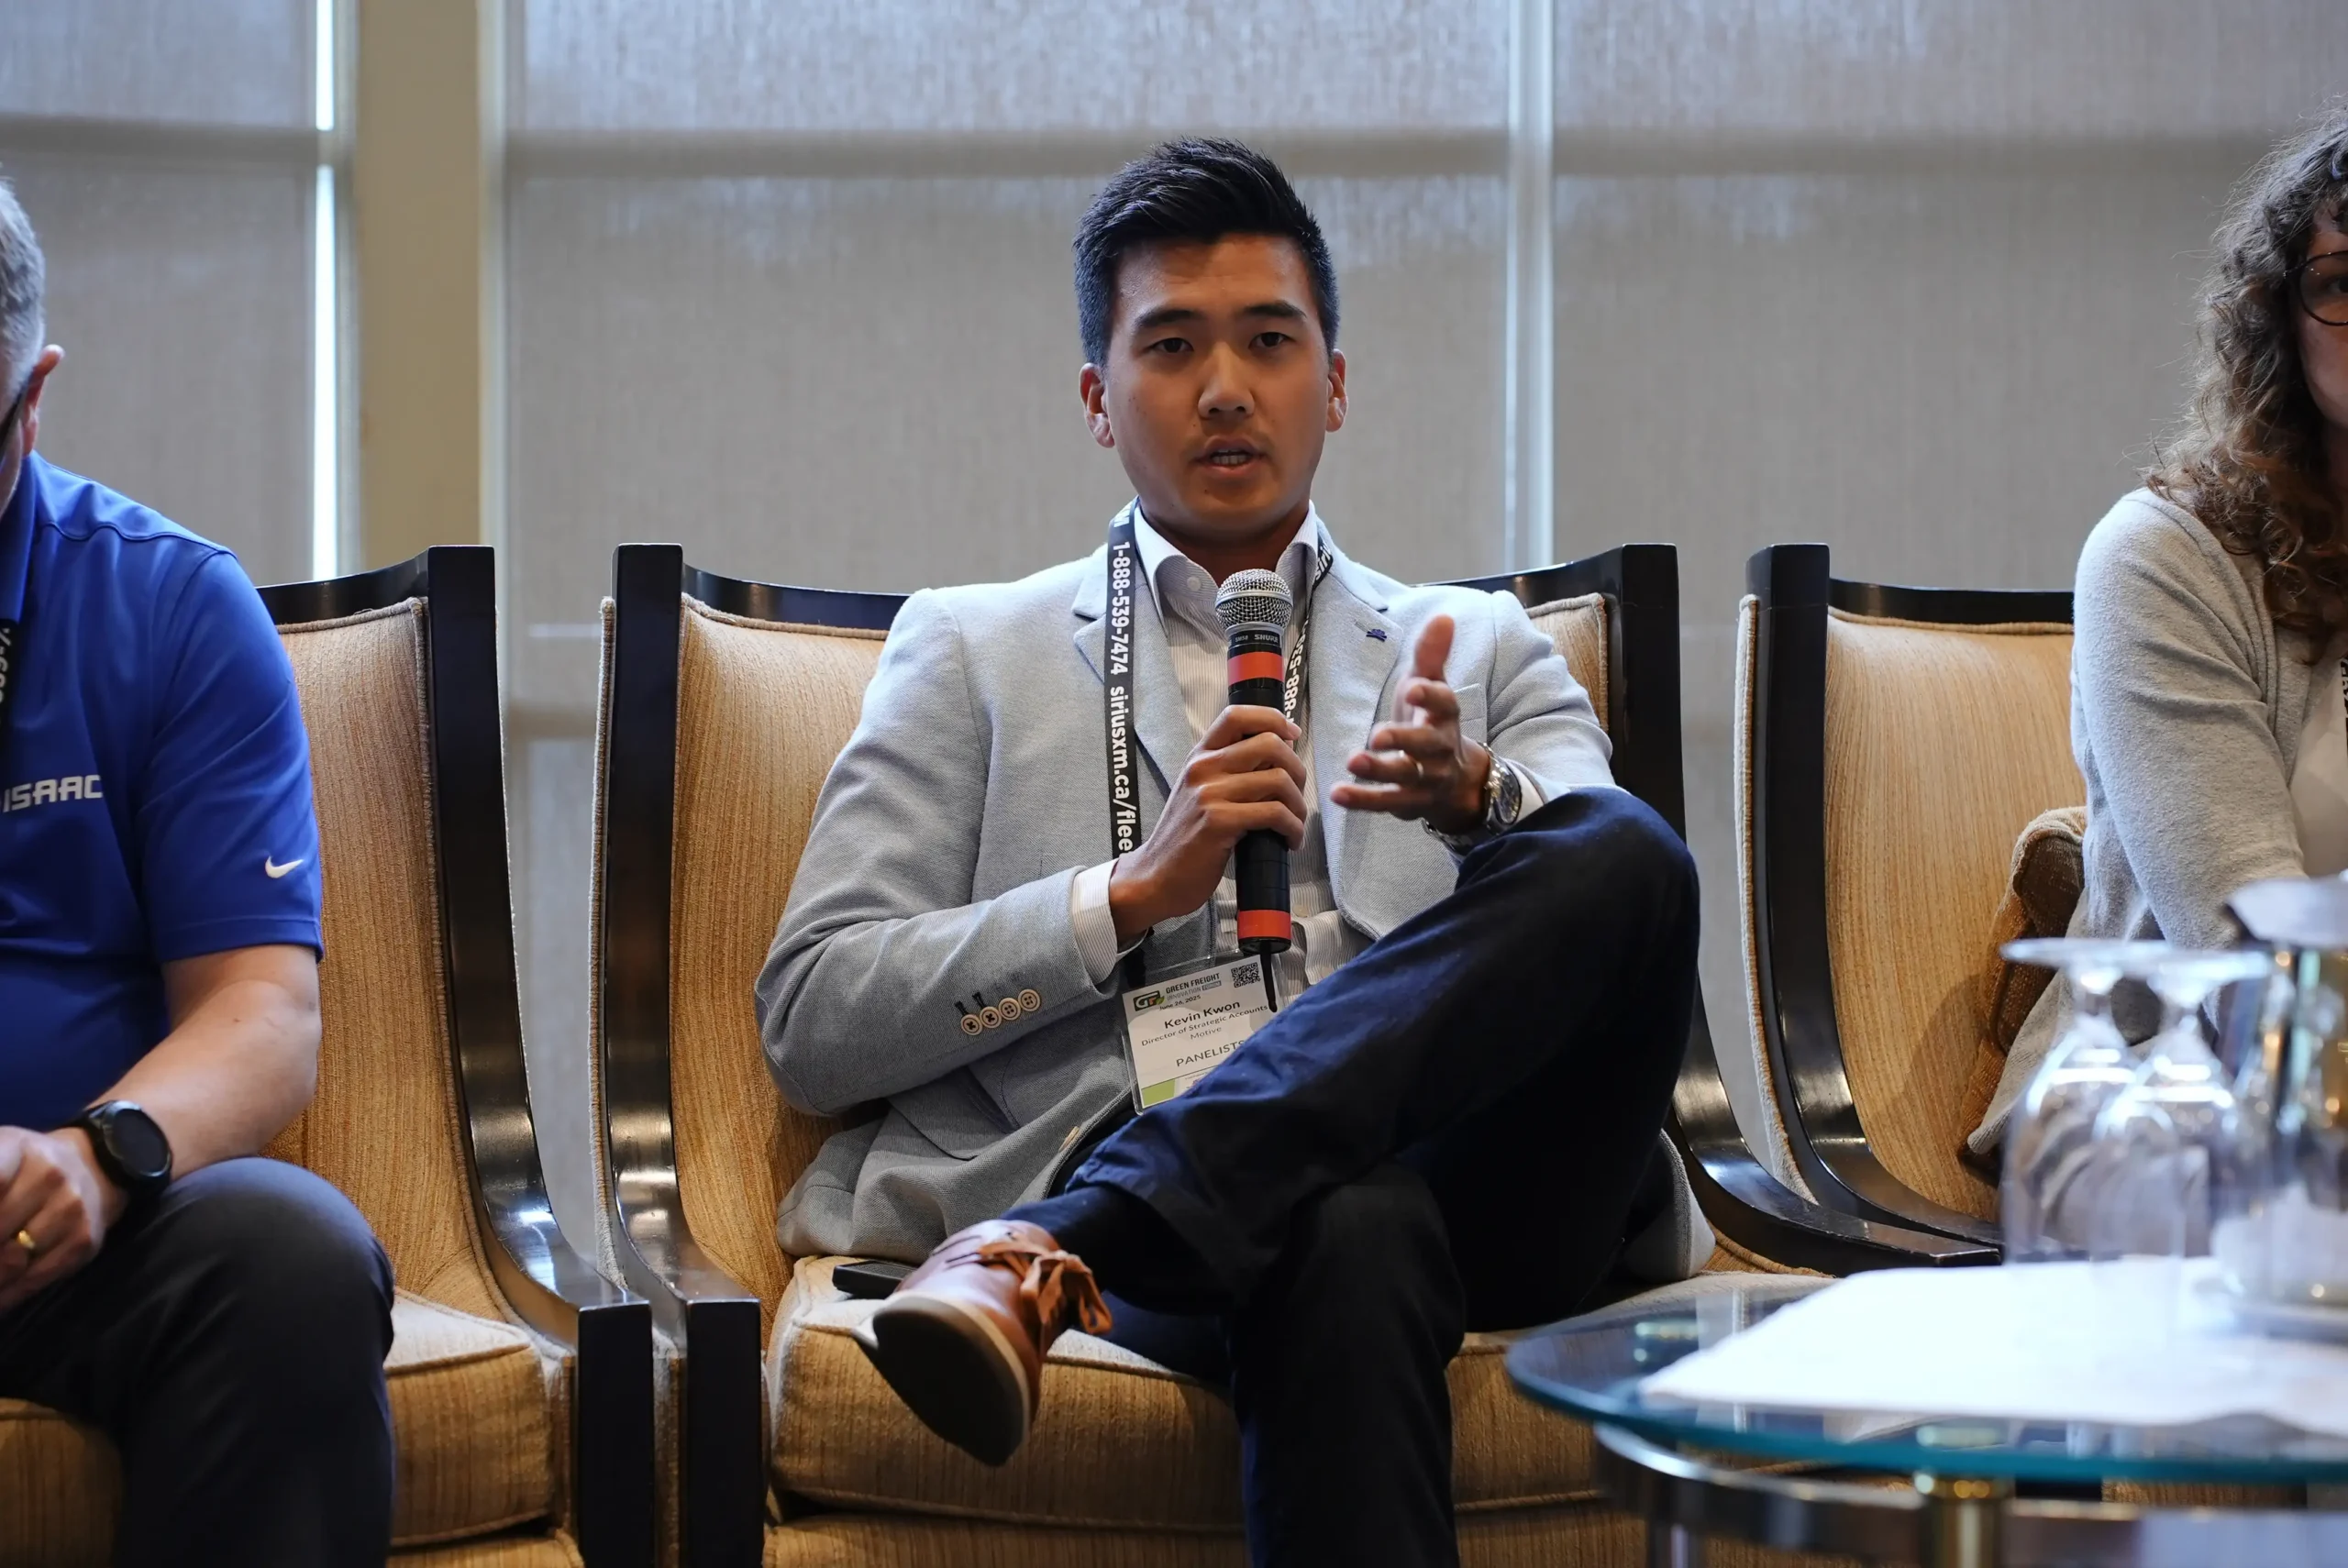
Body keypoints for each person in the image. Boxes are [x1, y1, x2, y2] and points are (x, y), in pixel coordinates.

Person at [757, 138, 1704, 1566]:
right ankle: (1138, 1203)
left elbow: (1618, 929)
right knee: (1345, 1221)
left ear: (1335, 382)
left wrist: (1477, 798)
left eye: (1268, 340)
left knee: (1623, 848)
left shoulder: (1479, 645)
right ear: (1098, 397)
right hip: (1199, 1179)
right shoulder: (971, 650)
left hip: (1496, 1177)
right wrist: (1124, 897)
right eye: (1172, 345)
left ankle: (1075, 1236)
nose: (1223, 387)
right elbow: (814, 1016)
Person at [0, 178, 394, 1562]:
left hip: (56, 1233)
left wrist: (96, 1158)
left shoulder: (167, 604)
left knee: (291, 1254)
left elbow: (260, 1012)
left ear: (32, 398)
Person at [1974, 105, 2348, 1156]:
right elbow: (2246, 962)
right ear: (2281, 317)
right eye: (2342, 282)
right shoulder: (2165, 559)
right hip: (2168, 1104)